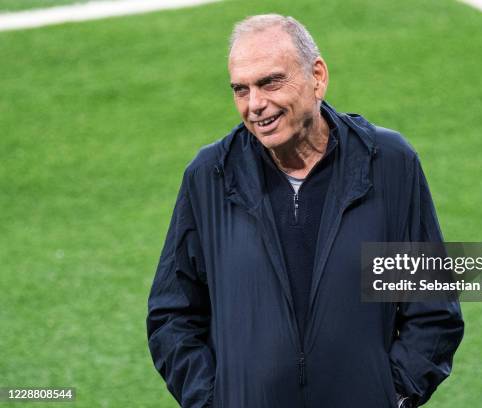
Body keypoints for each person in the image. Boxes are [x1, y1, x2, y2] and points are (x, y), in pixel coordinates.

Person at [146, 14, 463, 408]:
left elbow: (433, 309)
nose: (255, 104)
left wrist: (393, 395)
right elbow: (172, 315)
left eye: (270, 82)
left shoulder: (388, 163)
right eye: (240, 90)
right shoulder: (209, 176)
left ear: (317, 76)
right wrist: (212, 400)